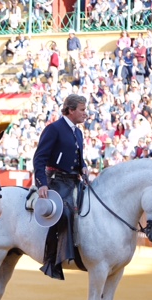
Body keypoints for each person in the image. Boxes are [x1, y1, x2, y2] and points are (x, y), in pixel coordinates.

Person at [33, 94, 88, 280]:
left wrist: (84, 167)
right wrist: (41, 183)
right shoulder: (54, 129)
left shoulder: (78, 132)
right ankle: (51, 260)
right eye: (82, 110)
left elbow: (78, 158)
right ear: (70, 110)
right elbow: (39, 158)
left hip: (74, 180)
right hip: (56, 180)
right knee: (62, 213)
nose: (85, 114)